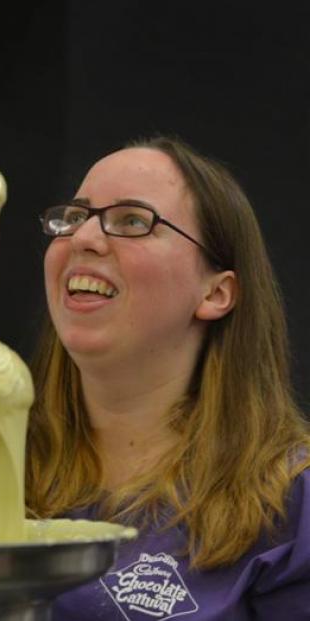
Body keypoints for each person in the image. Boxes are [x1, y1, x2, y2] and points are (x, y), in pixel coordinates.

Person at [27, 136, 310, 620]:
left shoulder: (291, 502)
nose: (83, 238)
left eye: (133, 220)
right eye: (75, 217)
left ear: (217, 293)